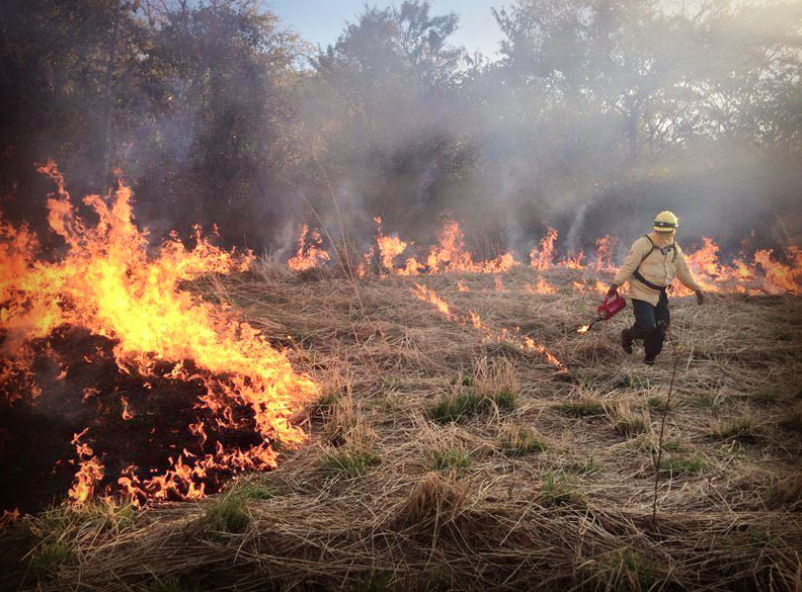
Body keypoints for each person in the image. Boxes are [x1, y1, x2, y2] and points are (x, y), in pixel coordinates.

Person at [607, 211, 704, 365]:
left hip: (660, 293)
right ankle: (628, 335)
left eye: (666, 232)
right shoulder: (643, 244)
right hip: (641, 291)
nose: (662, 235)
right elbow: (629, 265)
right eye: (659, 231)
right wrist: (616, 284)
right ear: (655, 228)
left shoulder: (674, 248)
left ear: (673, 231)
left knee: (661, 327)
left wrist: (696, 288)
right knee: (646, 326)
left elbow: (683, 270)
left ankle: (649, 359)